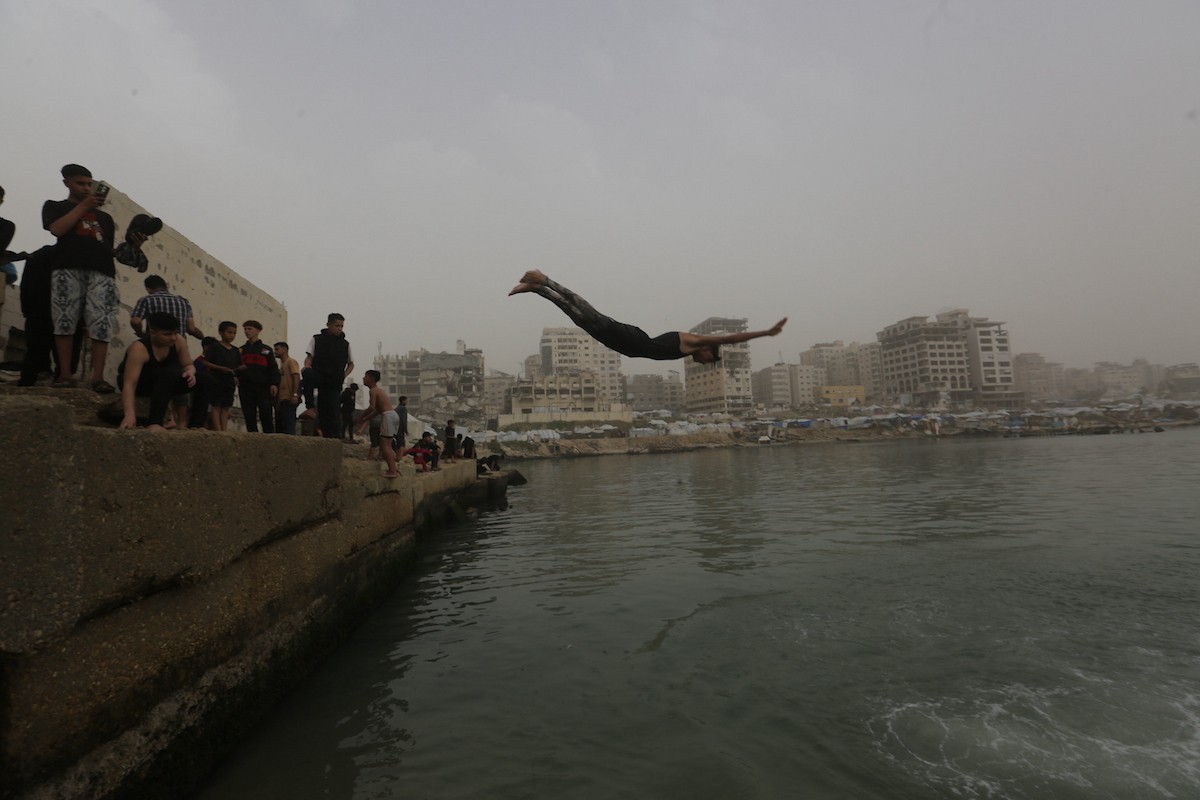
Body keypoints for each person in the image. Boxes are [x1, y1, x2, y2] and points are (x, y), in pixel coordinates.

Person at [509, 269, 787, 363]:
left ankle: (538, 290)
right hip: (632, 340)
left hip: (626, 346)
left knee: (581, 320)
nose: (704, 363)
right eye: (709, 359)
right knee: (590, 315)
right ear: (707, 349)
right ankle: (545, 280)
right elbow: (732, 337)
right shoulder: (694, 341)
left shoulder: (688, 350)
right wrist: (766, 332)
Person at [43, 164, 147, 391]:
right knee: (64, 320)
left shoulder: (105, 218)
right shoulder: (56, 206)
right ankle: (64, 374)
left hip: (102, 272)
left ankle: (97, 378)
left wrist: (131, 247)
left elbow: (107, 249)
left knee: (102, 324)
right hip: (67, 268)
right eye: (81, 183)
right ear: (67, 183)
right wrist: (83, 206)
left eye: (89, 184)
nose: (86, 188)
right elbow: (57, 230)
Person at [116, 312, 209, 430]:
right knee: (169, 372)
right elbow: (129, 383)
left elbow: (187, 364)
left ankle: (196, 424)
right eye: (167, 334)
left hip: (166, 382)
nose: (173, 338)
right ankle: (154, 422)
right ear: (152, 332)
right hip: (141, 383)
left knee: (205, 379)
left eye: (175, 333)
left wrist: (190, 371)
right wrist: (129, 415)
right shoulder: (139, 348)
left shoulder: (178, 341)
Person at [305, 313, 354, 439]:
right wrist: (307, 367)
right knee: (307, 373)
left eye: (341, 326)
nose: (339, 328)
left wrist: (343, 375)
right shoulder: (317, 339)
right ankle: (309, 407)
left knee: (331, 412)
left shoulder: (345, 344)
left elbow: (351, 364)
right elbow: (309, 356)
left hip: (335, 381)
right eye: (337, 325)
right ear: (329, 325)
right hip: (320, 376)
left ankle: (332, 438)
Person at [355, 370, 400, 478]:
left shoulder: (373, 391)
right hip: (392, 415)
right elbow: (378, 410)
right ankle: (393, 469)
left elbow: (372, 407)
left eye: (365, 376)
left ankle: (392, 471)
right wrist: (365, 418)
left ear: (371, 378)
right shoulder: (379, 390)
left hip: (388, 417)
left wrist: (361, 417)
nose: (363, 378)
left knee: (385, 446)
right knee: (386, 444)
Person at [238, 320, 280, 433]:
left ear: (258, 330)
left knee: (266, 414)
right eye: (245, 329)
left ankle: (270, 439)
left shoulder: (266, 350)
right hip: (245, 387)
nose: (247, 331)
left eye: (249, 329)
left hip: (263, 388)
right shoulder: (240, 350)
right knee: (249, 415)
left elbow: (273, 368)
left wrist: (274, 384)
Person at [130, 275, 203, 340]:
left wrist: (140, 333)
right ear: (166, 287)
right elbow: (191, 328)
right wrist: (203, 338)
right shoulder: (184, 302)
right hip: (179, 348)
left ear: (148, 289)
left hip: (156, 346)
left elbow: (135, 321)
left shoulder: (146, 300)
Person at [202, 321, 242, 431]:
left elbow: (238, 366)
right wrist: (220, 368)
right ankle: (217, 429)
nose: (232, 335)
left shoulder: (235, 350)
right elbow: (205, 362)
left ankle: (224, 429)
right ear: (221, 332)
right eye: (229, 332)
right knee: (216, 405)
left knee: (226, 406)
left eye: (234, 333)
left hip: (229, 381)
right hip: (216, 379)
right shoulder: (215, 347)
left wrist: (236, 375)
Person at [274, 341, 302, 435]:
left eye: (277, 349)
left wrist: (295, 394)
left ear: (285, 349)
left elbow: (296, 377)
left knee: (288, 427)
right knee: (281, 427)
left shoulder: (291, 362)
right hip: (282, 400)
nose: (275, 352)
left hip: (289, 399)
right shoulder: (282, 366)